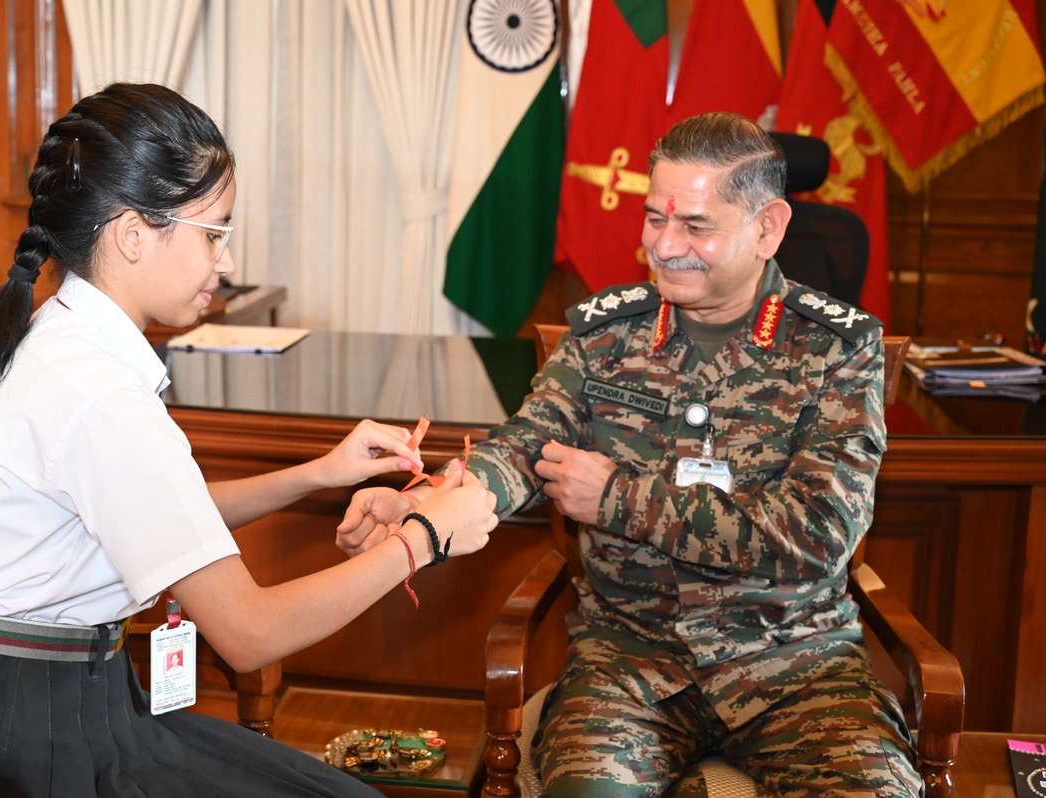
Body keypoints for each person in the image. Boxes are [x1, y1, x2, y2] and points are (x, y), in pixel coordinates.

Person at [0, 82, 498, 798]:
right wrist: (424, 536)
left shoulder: (63, 339)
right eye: (214, 234)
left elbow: (158, 512)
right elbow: (251, 633)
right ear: (134, 234)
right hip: (44, 745)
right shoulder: (99, 393)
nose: (225, 263)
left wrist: (316, 474)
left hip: (48, 705)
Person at [336, 112, 921, 796]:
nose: (665, 246)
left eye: (695, 226)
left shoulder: (837, 351)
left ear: (768, 228)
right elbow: (526, 446)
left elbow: (818, 534)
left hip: (794, 667)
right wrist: (427, 502)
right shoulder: (606, 335)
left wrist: (619, 499)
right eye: (653, 219)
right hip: (631, 663)